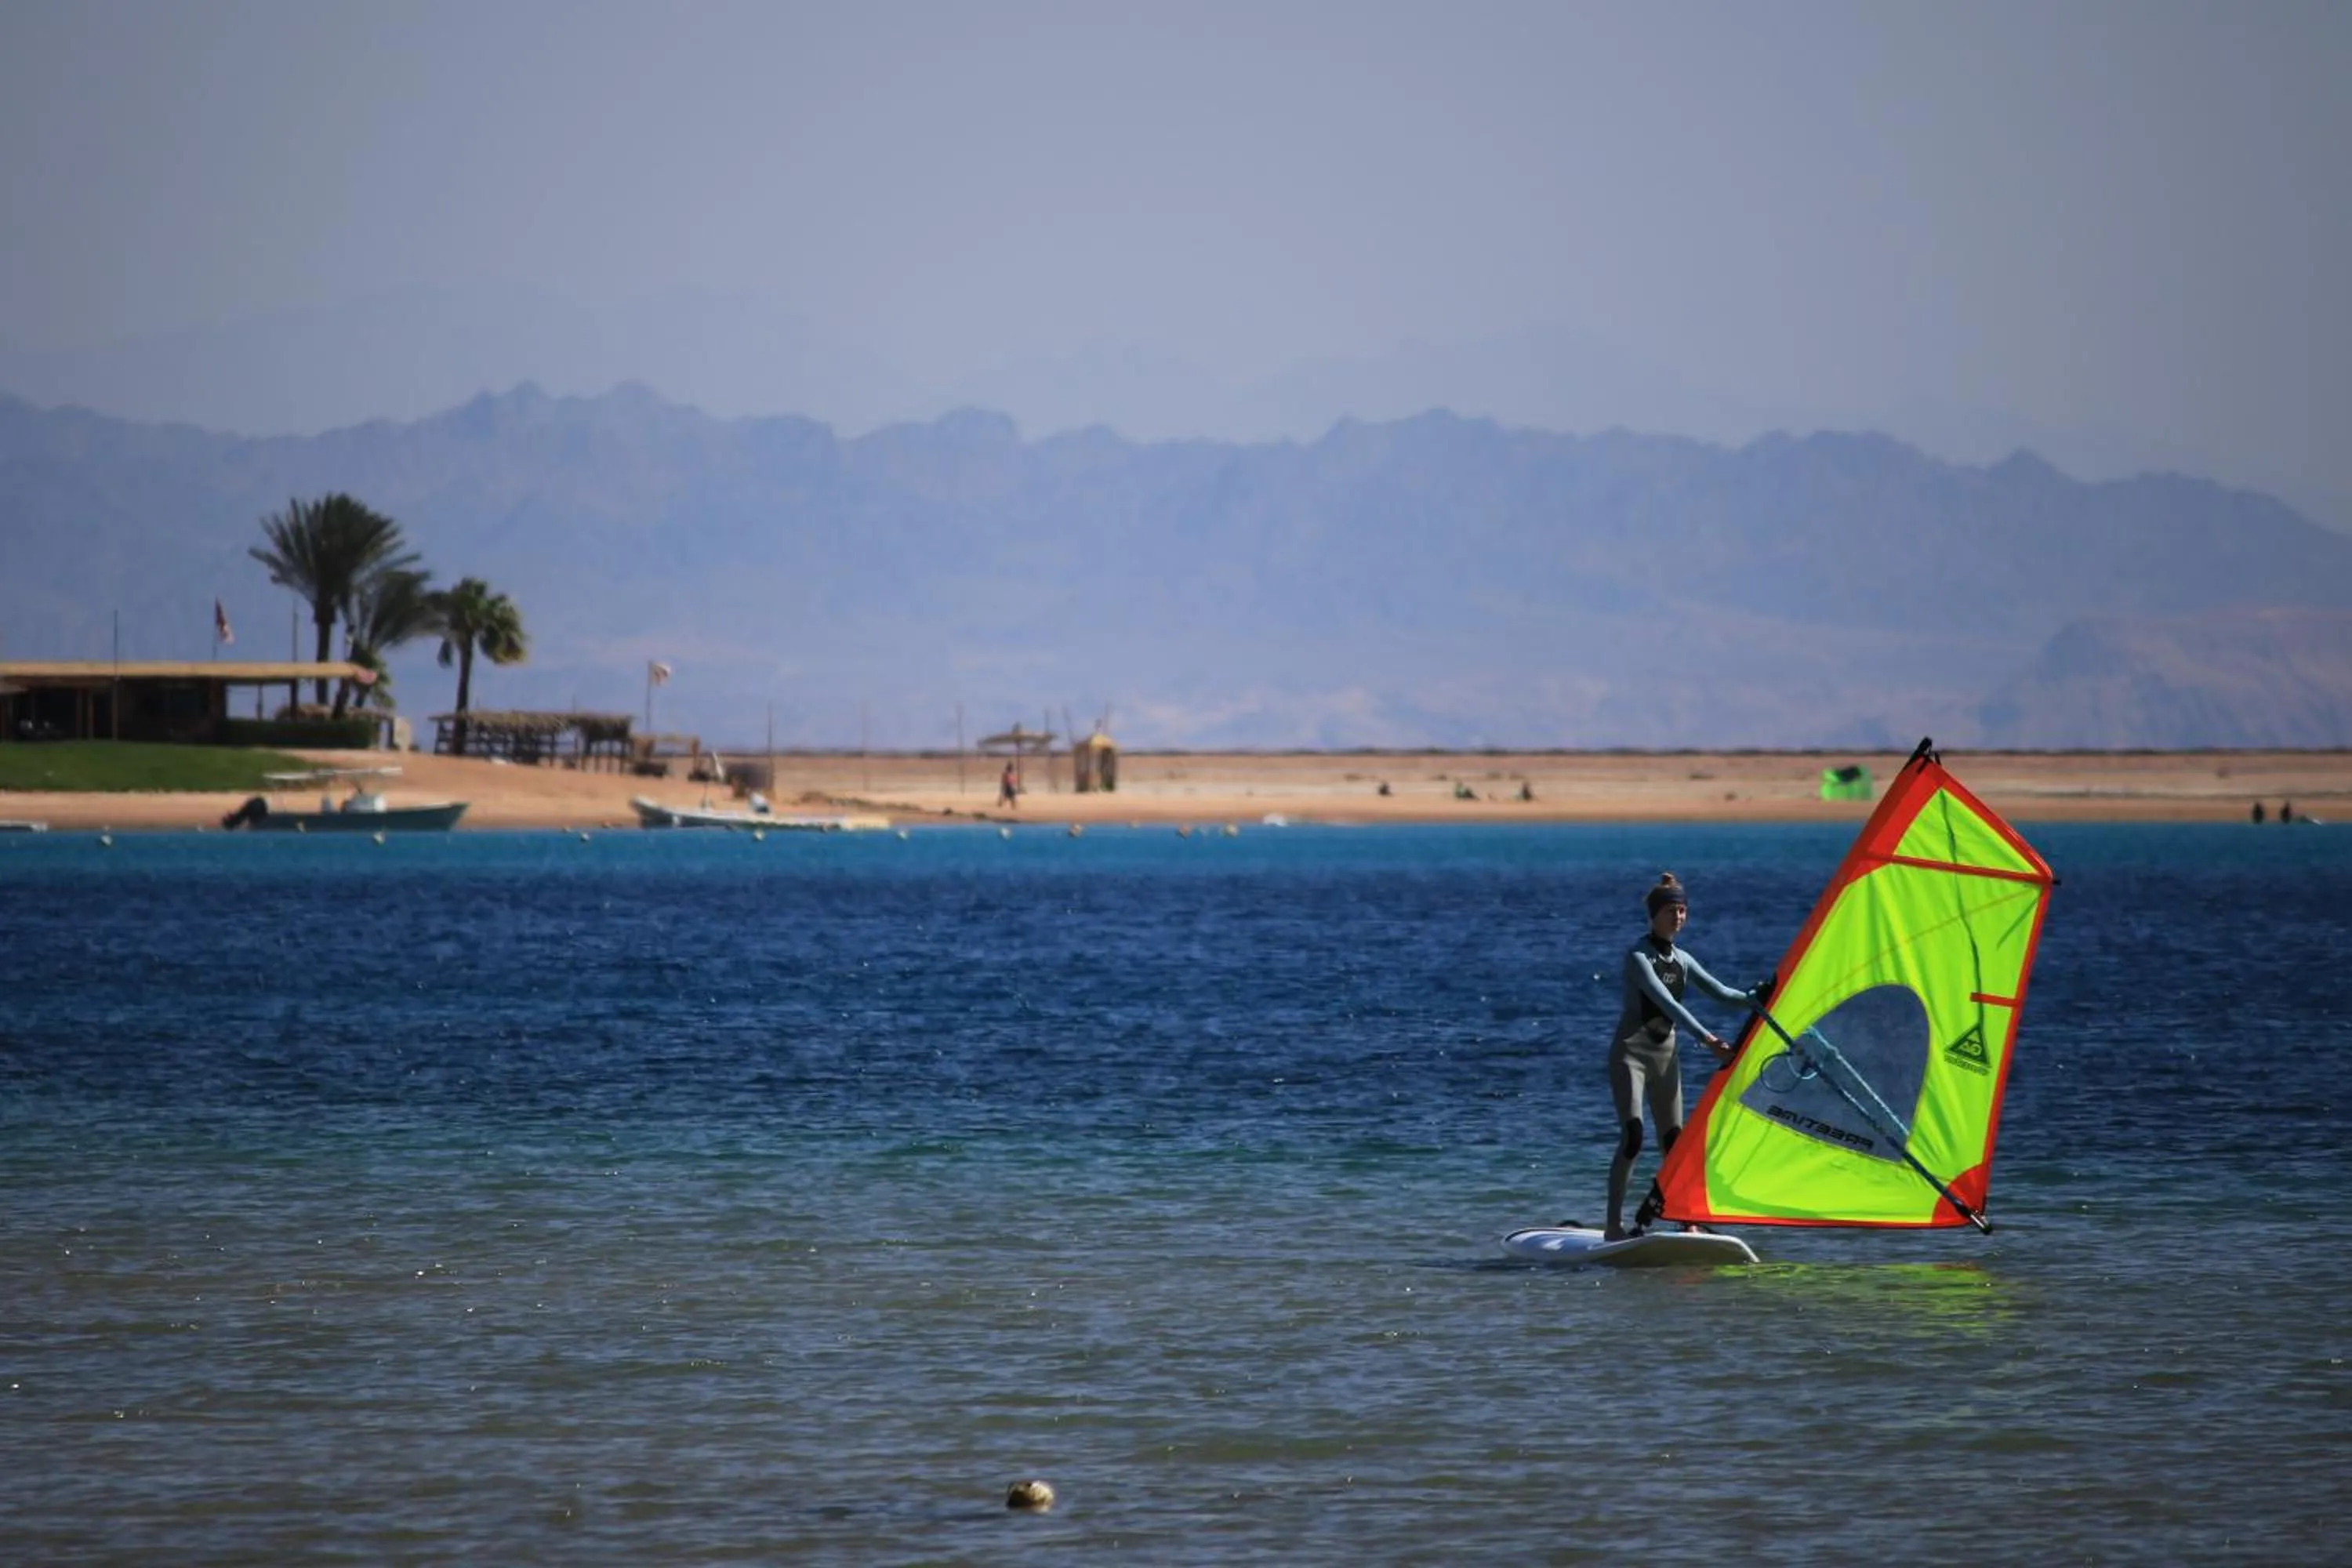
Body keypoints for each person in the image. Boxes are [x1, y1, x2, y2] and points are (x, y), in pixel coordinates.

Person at [1601, 872, 1760, 1240]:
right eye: (1672, 910)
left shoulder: (1683, 959)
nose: (1679, 917)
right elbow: (1667, 1003)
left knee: (1675, 1142)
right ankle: (1613, 1227)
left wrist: (1762, 994)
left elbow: (1723, 993)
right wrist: (1706, 1039)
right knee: (1634, 1137)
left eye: (1683, 911)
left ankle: (1685, 1219)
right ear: (1654, 915)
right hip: (1631, 1055)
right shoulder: (1638, 957)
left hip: (1666, 1057)